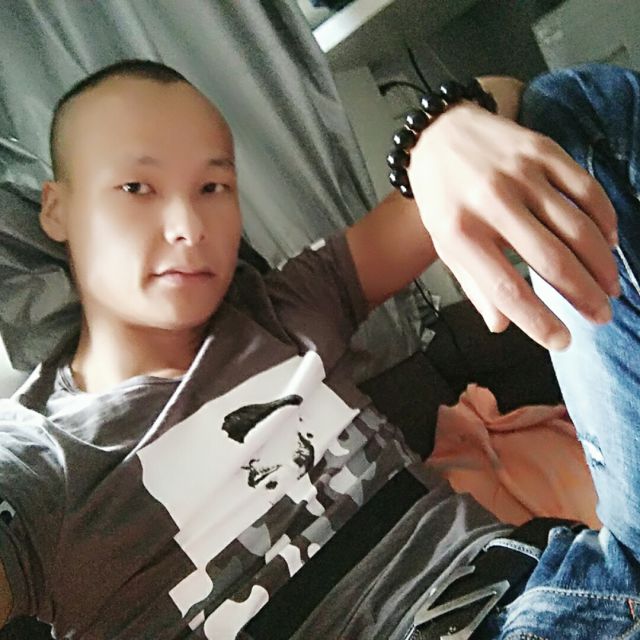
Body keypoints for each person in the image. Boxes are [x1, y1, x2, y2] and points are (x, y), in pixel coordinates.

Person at [0, 58, 635, 639]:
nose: (189, 228)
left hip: (576, 586)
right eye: (137, 188)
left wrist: (440, 136)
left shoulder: (283, 308)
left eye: (213, 187)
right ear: (56, 209)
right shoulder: (39, 461)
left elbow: (511, 98)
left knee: (576, 106)